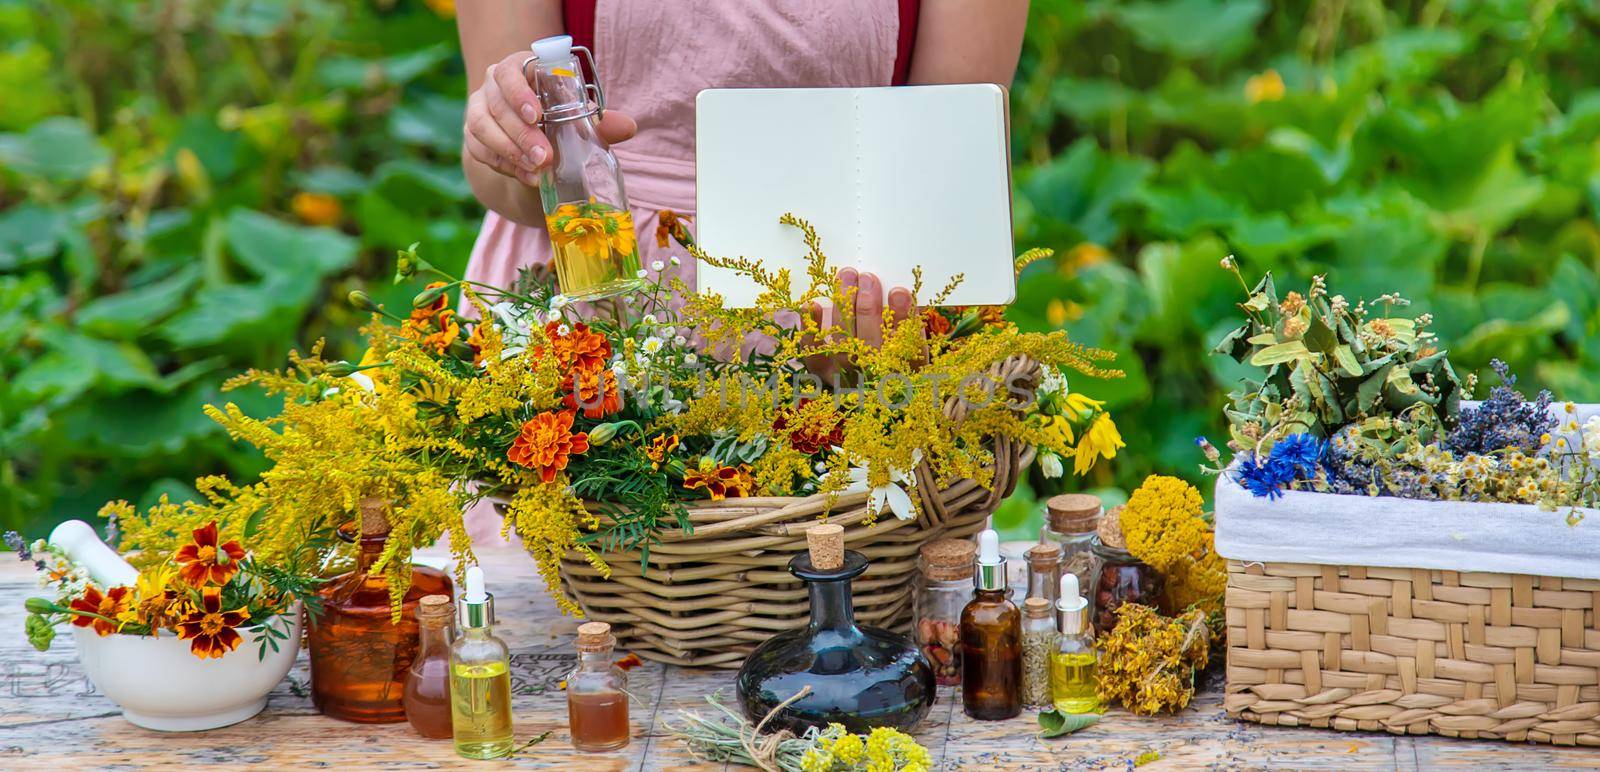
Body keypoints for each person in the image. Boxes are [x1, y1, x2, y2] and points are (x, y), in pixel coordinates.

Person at [454, 0, 1029, 540]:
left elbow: (950, 149)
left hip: (848, 305)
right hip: (588, 305)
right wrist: (528, 150)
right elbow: (500, 179)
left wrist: (876, 363)